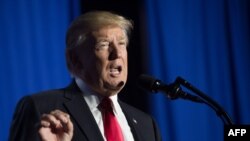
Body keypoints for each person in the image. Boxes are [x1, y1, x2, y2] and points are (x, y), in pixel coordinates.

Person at [9, 11, 162, 141]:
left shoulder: (147, 125)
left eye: (122, 43)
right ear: (75, 59)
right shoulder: (41, 108)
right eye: (103, 45)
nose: (117, 54)